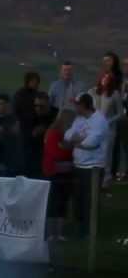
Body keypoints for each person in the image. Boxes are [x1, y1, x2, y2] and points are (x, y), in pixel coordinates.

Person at [64, 93, 109, 239]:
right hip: (78, 165)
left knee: (90, 200)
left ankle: (89, 231)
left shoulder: (99, 120)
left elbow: (91, 143)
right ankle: (79, 228)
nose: (74, 107)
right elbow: (67, 135)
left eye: (76, 104)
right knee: (78, 199)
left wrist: (77, 141)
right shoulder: (79, 119)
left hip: (93, 167)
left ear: (83, 105)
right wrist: (79, 139)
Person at [43, 109, 76, 240]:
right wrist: (68, 148)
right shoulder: (53, 134)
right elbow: (57, 153)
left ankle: (60, 233)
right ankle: (51, 233)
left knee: (62, 202)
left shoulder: (66, 136)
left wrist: (66, 148)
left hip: (66, 174)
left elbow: (70, 152)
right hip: (53, 173)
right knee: (53, 203)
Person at [92, 51, 123, 187]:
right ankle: (97, 178)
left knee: (107, 154)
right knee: (97, 153)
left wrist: (109, 121)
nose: (104, 80)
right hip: (97, 128)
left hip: (109, 128)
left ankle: (106, 179)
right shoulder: (97, 93)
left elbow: (120, 113)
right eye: (103, 79)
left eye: (107, 79)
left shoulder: (115, 94)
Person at [0, 94, 21, 175]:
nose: (2, 106)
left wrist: (4, 131)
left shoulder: (13, 119)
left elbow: (16, 133)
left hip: (10, 158)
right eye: (0, 104)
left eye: (4, 104)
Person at [27, 92, 56, 178]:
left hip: (53, 158)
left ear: (48, 104)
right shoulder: (31, 116)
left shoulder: (57, 115)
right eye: (36, 105)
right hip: (35, 158)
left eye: (41, 106)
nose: (38, 108)